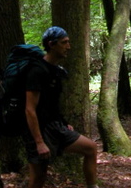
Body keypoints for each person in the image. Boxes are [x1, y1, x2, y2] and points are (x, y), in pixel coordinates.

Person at [24, 26, 100, 188]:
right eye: (64, 43)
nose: (68, 46)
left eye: (68, 42)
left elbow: (51, 104)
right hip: (39, 131)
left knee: (90, 148)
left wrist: (63, 122)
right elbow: (30, 109)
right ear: (52, 45)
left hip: (56, 127)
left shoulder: (56, 71)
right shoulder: (37, 71)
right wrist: (39, 142)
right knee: (38, 178)